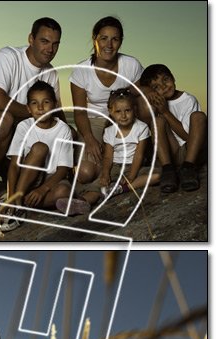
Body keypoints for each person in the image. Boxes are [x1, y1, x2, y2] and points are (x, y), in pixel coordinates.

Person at [0, 18, 63, 208]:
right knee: (5, 119)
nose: (50, 49)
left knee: (54, 142)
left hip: (15, 137)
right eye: (44, 41)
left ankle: (16, 193)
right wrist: (33, 113)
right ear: (31, 39)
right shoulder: (8, 56)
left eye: (55, 44)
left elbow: (56, 113)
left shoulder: (51, 73)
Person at [57, 88, 159, 217]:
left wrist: (132, 176)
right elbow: (108, 157)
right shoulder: (110, 131)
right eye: (118, 111)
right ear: (111, 112)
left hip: (135, 166)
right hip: (116, 166)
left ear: (134, 109)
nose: (123, 115)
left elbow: (139, 155)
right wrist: (105, 173)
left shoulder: (141, 128)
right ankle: (82, 202)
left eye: (127, 110)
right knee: (99, 185)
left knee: (157, 175)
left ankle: (121, 189)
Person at [69, 17, 143, 184]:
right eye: (104, 38)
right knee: (85, 173)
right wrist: (89, 139)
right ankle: (104, 162)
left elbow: (141, 94)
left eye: (115, 39)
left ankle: (147, 150)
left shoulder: (131, 64)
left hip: (122, 119)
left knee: (146, 105)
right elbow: (79, 113)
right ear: (95, 39)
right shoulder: (81, 71)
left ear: (120, 42)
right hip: (94, 120)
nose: (109, 45)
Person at [0, 81, 73, 232]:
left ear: (54, 105)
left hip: (49, 180)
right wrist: (11, 194)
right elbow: (14, 165)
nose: (40, 108)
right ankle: (16, 201)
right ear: (28, 108)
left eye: (46, 102)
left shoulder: (63, 130)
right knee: (40, 148)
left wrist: (43, 190)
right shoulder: (24, 127)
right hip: (27, 179)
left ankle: (24, 205)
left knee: (64, 192)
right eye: (35, 103)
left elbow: (62, 169)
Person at [138, 64, 207, 193]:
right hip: (173, 152)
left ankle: (188, 168)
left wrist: (165, 112)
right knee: (157, 121)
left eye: (165, 80)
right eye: (156, 87)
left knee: (199, 116)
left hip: (191, 150)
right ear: (152, 92)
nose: (164, 87)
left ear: (173, 78)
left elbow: (188, 136)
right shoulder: (156, 103)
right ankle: (168, 170)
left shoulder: (188, 100)